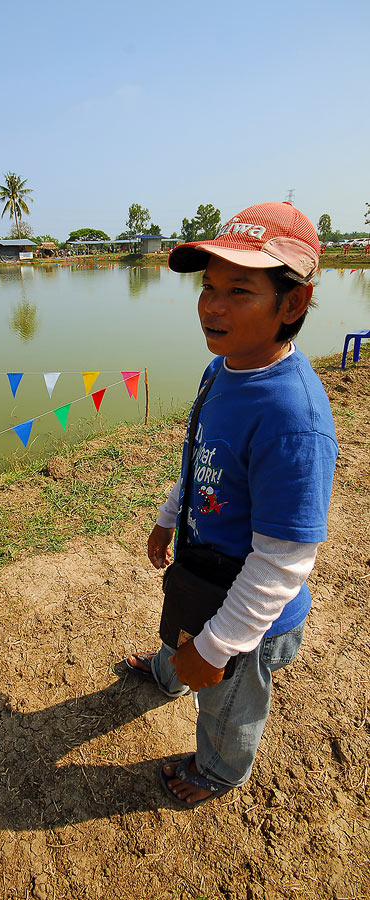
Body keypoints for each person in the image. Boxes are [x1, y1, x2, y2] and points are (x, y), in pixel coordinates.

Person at [123, 201, 338, 808]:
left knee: (227, 700)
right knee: (182, 629)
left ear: (292, 303)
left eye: (238, 290)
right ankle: (172, 672)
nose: (211, 306)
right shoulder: (222, 369)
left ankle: (218, 770)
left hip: (251, 617)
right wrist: (170, 517)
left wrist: (218, 648)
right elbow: (201, 460)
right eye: (208, 287)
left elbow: (281, 563)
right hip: (203, 571)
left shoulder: (292, 419)